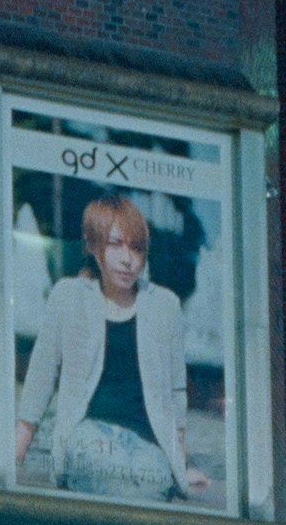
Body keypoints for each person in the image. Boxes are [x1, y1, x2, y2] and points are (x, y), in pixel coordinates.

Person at [12, 192, 207, 504]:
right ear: (93, 246)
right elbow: (42, 372)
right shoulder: (68, 296)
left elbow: (175, 394)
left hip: (147, 444)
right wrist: (17, 450)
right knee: (108, 478)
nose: (128, 259)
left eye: (137, 248)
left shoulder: (165, 306)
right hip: (89, 434)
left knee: (151, 486)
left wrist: (179, 467)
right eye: (116, 245)